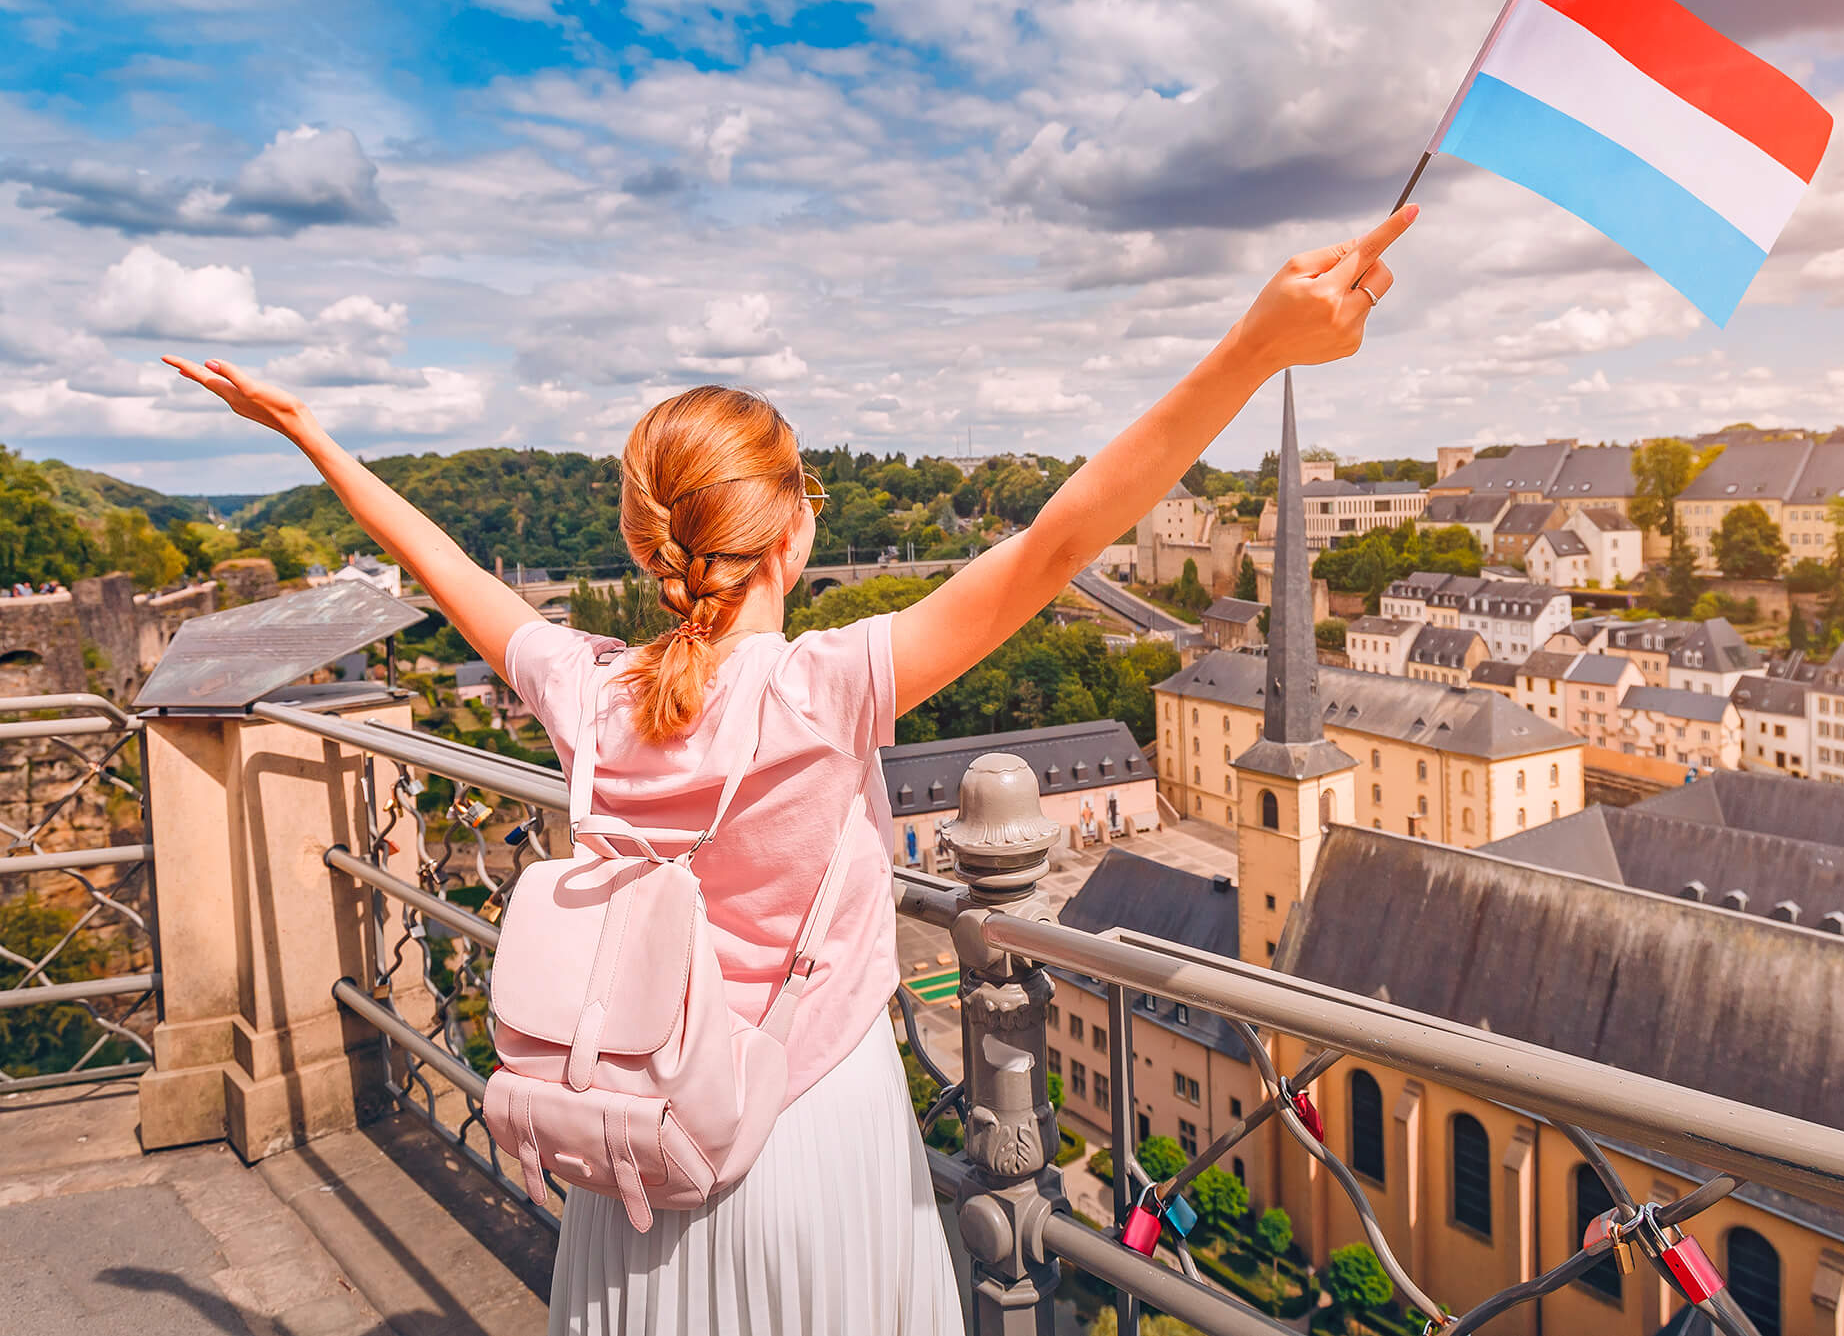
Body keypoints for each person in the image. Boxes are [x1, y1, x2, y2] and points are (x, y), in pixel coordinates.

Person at [163, 201, 1417, 1334]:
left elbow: (449, 570)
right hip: (808, 1132)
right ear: (798, 522)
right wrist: (1254, 346)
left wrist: (313, 438)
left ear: (652, 542)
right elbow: (1061, 536)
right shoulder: (824, 690)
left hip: (634, 1151)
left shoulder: (589, 694)